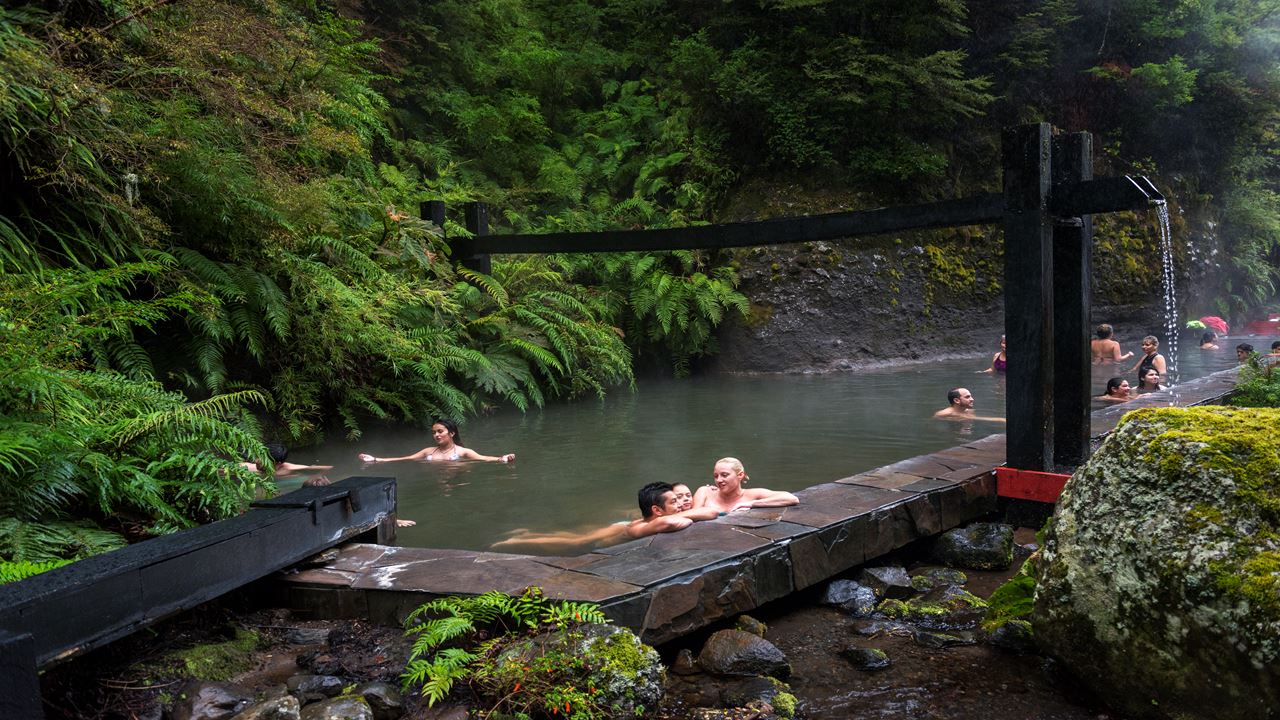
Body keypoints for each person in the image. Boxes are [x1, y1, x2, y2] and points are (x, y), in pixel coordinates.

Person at [490, 481, 716, 550]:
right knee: (577, 540)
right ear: (656, 509)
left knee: (576, 534)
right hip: (620, 531)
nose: (680, 504)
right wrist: (690, 517)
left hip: (620, 528)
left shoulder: (653, 518)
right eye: (674, 501)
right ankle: (519, 541)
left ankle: (527, 533)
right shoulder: (655, 523)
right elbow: (674, 521)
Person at [358, 419, 515, 464]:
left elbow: (483, 458)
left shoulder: (463, 452)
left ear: (451, 433)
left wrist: (502, 458)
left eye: (440, 431)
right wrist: (376, 459)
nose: (436, 435)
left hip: (456, 483)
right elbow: (406, 459)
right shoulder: (428, 451)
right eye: (434, 432)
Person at [692, 458, 799, 513]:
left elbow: (791, 498)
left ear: (740, 475)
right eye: (716, 476)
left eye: (724, 475)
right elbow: (692, 516)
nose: (719, 480)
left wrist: (752, 503)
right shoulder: (705, 492)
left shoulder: (752, 495)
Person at [241, 443, 333, 477]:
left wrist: (316, 480)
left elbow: (328, 468)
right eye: (259, 456)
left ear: (277, 463)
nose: (256, 460)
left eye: (263, 460)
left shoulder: (289, 468)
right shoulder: (249, 467)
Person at [933, 388, 1006, 422]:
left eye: (970, 396)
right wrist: (1000, 420)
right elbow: (934, 426)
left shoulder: (969, 411)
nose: (972, 399)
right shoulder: (943, 414)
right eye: (967, 397)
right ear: (956, 400)